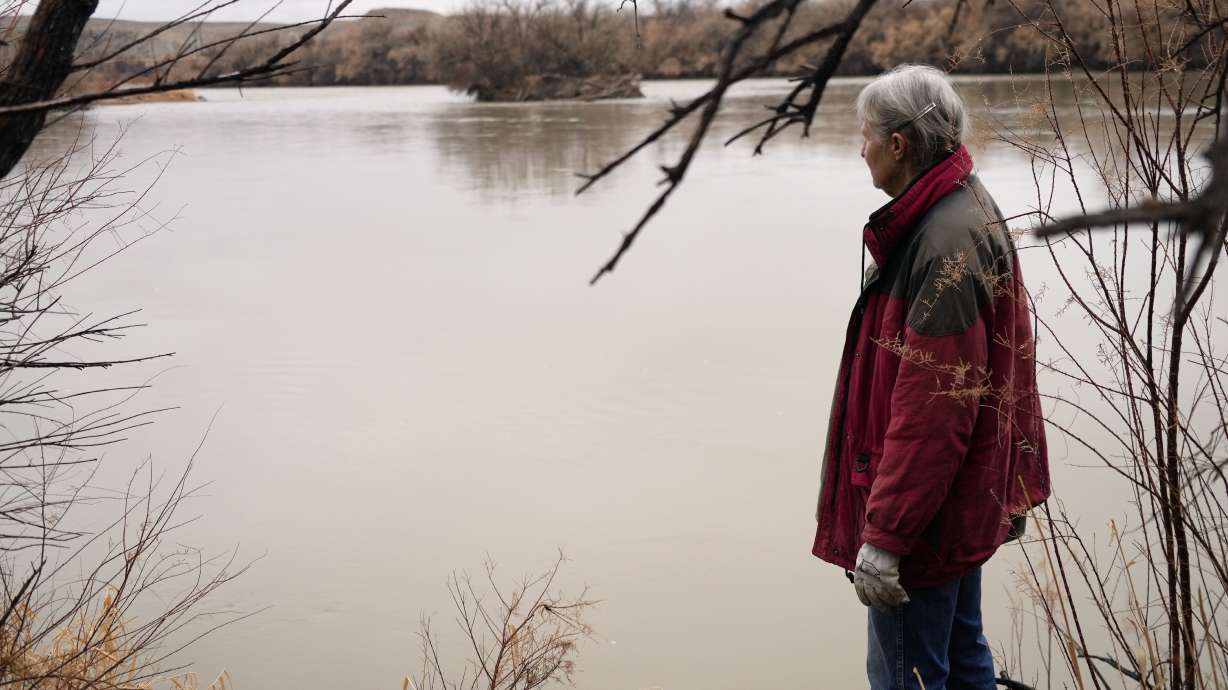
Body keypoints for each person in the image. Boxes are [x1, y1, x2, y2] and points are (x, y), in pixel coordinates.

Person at [810, 64, 1051, 690]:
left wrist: (887, 538)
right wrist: (1010, 482)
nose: (858, 149)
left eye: (864, 135)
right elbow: (994, 376)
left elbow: (933, 415)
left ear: (898, 145)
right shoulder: (959, 209)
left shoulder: (944, 241)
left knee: (907, 676)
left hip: (924, 525)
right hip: (954, 504)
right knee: (963, 659)